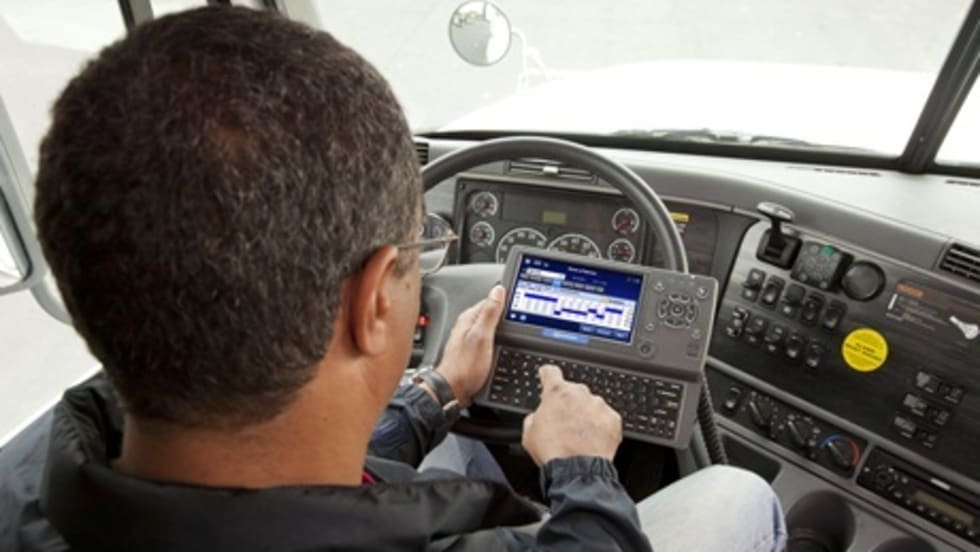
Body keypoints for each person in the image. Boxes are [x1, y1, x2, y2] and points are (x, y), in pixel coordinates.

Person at [0, 6, 786, 551]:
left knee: (463, 455)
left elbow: (265, 495)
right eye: (421, 245)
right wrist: (581, 466)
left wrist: (435, 393)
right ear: (377, 301)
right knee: (737, 495)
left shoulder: (30, 478)